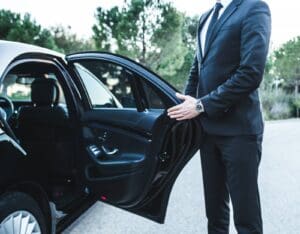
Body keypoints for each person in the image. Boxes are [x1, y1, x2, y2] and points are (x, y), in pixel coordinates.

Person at [167, 0, 271, 233]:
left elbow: (251, 72)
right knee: (214, 214)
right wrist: (186, 103)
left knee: (246, 218)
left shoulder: (254, 7)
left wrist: (202, 105)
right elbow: (198, 68)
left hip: (240, 131)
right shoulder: (205, 17)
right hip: (207, 131)